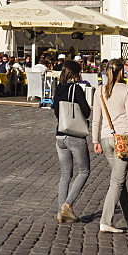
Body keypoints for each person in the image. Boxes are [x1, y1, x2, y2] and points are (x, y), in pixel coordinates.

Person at [91, 58, 128, 233]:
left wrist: (95, 140)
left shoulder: (100, 90)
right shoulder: (126, 89)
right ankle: (106, 220)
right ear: (121, 72)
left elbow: (96, 119)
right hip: (123, 140)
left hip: (106, 139)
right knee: (117, 180)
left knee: (118, 178)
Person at [51, 61, 91, 224]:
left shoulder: (58, 89)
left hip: (60, 135)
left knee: (65, 174)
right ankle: (67, 205)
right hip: (75, 135)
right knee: (84, 171)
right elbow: (86, 112)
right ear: (75, 73)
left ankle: (61, 210)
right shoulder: (76, 89)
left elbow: (55, 111)